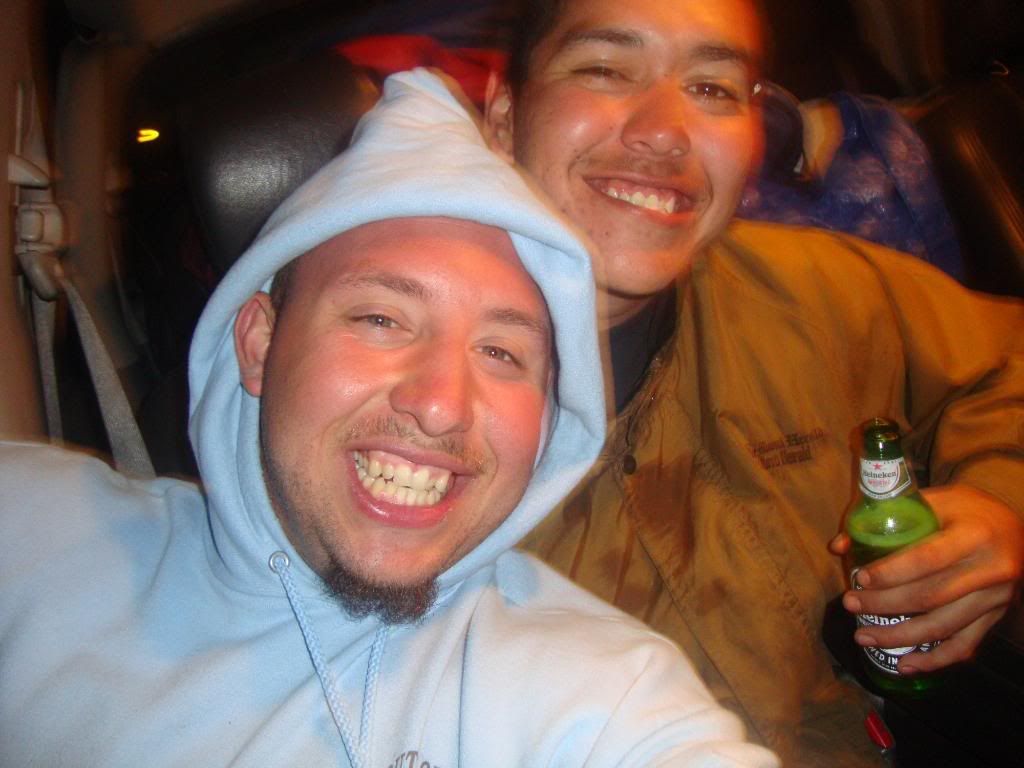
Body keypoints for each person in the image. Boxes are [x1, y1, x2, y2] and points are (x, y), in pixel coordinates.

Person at [0, 70, 778, 767]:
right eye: (380, 320)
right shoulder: (34, 541)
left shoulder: (606, 697)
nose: (441, 406)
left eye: (503, 353)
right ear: (261, 343)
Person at [479, 0, 1024, 765]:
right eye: (604, 69)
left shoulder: (804, 295)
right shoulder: (408, 402)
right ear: (503, 117)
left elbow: (1005, 354)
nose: (665, 131)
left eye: (713, 89)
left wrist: (999, 504)